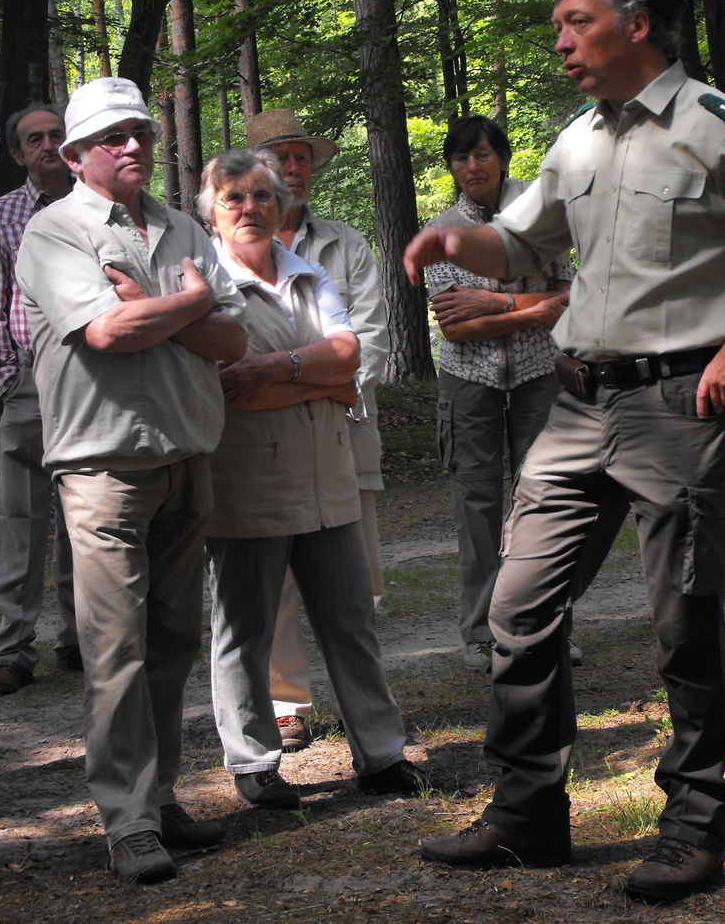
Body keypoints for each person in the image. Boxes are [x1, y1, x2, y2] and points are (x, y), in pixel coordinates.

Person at [406, 0, 725, 902]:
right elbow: (522, 241)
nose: (561, 40)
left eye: (578, 22)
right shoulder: (577, 140)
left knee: (682, 623)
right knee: (517, 609)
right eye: (559, 27)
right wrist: (454, 237)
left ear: (638, 21)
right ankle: (529, 813)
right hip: (575, 402)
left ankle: (695, 824)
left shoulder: (715, 126)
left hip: (678, 404)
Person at [14, 77, 247, 884]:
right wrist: (185, 306)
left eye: (142, 131)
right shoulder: (55, 233)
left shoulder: (184, 225)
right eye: (113, 136)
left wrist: (164, 305)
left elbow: (230, 343)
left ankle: (161, 798)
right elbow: (109, 330)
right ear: (76, 155)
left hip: (187, 457)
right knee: (114, 650)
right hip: (103, 468)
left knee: (173, 640)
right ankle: (128, 823)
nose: (134, 146)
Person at [198, 150, 430, 808]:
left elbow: (351, 358)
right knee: (244, 626)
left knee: (350, 617)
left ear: (281, 207)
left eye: (263, 197)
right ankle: (252, 760)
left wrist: (276, 370)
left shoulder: (308, 272)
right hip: (247, 481)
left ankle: (381, 754)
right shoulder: (208, 287)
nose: (250, 209)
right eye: (234, 198)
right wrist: (313, 377)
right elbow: (224, 387)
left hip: (329, 475)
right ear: (211, 213)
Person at [243, 108, 388, 754]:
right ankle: (286, 703)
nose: (294, 167)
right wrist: (306, 377)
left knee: (356, 579)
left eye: (302, 157)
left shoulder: (347, 244)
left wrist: (324, 387)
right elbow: (235, 352)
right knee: (272, 580)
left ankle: (369, 709)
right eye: (281, 157)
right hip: (265, 439)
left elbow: (371, 337)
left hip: (343, 425)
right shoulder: (230, 252)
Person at [424, 115, 572, 670]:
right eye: (461, 158)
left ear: (502, 157)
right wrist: (533, 309)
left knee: (547, 501)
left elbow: (569, 298)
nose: (473, 166)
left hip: (539, 374)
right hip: (468, 379)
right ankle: (482, 632)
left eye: (483, 154)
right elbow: (455, 328)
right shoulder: (442, 233)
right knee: (477, 505)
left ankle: (549, 625)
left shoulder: (541, 219)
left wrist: (495, 304)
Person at [0, 103, 79, 696]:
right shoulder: (1, 216)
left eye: (55, 135)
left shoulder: (98, 206)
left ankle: (81, 639)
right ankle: (14, 650)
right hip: (30, 380)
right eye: (34, 139)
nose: (46, 145)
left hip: (93, 374)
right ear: (17, 153)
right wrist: (10, 377)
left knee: (86, 512)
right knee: (21, 518)